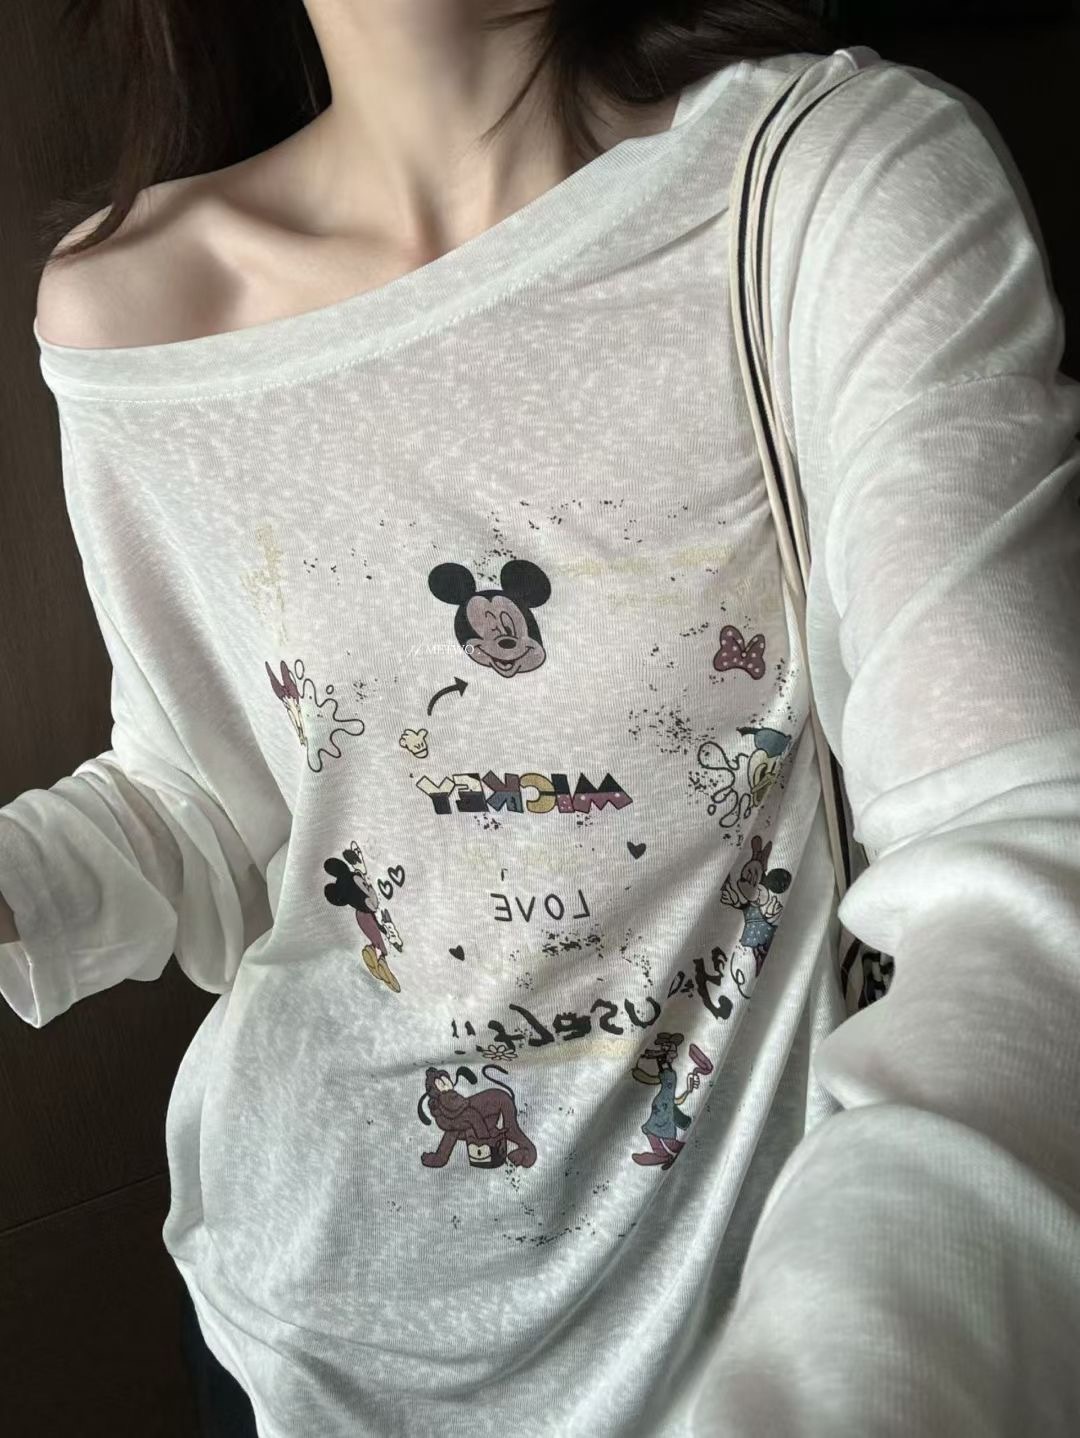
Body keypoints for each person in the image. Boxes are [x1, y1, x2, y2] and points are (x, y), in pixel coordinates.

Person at [4, 3, 1080, 1434]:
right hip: (294, 1328)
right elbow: (197, 798)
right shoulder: (131, 309)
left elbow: (1020, 861)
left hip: (738, 1319)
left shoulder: (816, 183)